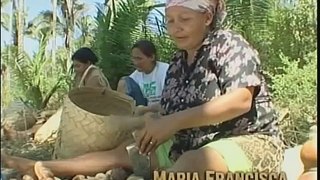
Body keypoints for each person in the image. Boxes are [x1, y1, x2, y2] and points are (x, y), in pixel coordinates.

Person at [1, 0, 285, 179]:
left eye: (185, 20)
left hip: (249, 143)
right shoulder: (177, 62)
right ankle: (43, 168)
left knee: (193, 162)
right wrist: (152, 120)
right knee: (123, 153)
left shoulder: (229, 45)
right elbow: (173, 109)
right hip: (188, 144)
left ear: (207, 17)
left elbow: (240, 101)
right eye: (171, 20)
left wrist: (173, 122)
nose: (176, 29)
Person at [117, 40, 169, 111]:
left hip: (163, 109)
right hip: (143, 108)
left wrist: (145, 109)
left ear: (152, 57)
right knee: (123, 82)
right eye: (133, 58)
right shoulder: (135, 76)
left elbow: (170, 101)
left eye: (139, 59)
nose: (135, 63)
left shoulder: (165, 70)